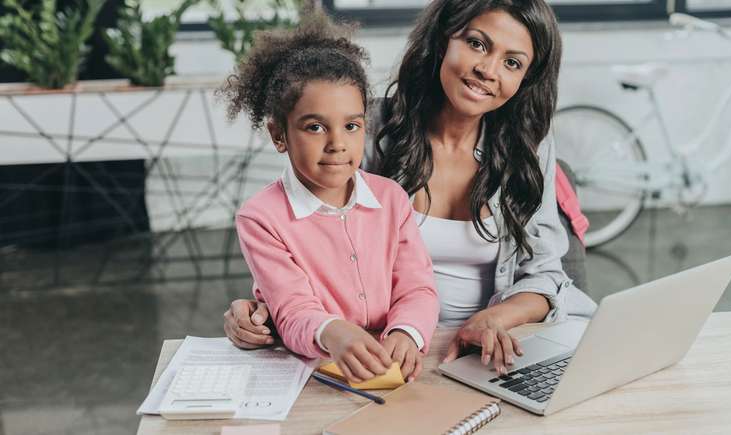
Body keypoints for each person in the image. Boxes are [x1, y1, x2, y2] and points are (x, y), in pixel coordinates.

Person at [223, 0, 597, 376]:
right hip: (384, 348)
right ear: (442, 40)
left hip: (491, 348)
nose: (487, 70)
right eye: (477, 44)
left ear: (527, 78)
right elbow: (313, 242)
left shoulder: (530, 145)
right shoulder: (365, 128)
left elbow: (547, 273)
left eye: (512, 62)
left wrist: (495, 318)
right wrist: (264, 307)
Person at [220, 11, 440, 384]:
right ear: (278, 135)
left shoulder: (392, 199)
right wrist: (332, 332)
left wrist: (407, 332)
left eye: (351, 126)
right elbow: (292, 309)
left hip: (394, 368)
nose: (337, 144)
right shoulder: (260, 218)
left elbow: (417, 287)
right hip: (317, 371)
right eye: (315, 127)